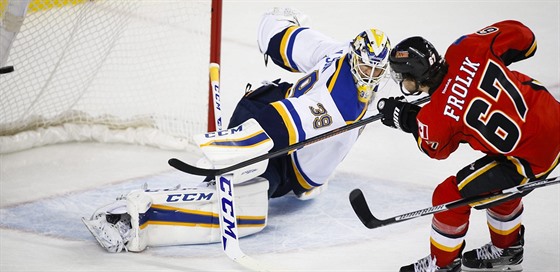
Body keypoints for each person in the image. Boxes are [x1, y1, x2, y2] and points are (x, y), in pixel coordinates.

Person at [82, 7, 392, 253]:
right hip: (268, 126)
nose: (372, 76)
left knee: (244, 196)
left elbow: (283, 38)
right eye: (367, 68)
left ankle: (195, 185)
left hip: (284, 142)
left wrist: (278, 23)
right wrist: (238, 149)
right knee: (243, 208)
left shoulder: (337, 52)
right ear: (355, 58)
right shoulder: (342, 104)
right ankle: (128, 217)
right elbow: (285, 122)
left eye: (378, 70)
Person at [376, 20, 560, 272]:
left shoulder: (435, 117)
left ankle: (442, 265)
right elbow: (526, 39)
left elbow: (435, 149)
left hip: (533, 158)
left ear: (414, 79)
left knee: (448, 196)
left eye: (404, 79)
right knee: (498, 186)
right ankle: (507, 249)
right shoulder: (466, 47)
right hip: (553, 117)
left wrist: (407, 118)